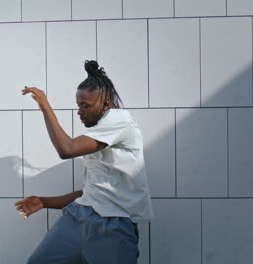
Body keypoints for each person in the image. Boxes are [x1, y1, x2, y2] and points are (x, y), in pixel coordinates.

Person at [16, 60, 154, 264]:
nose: (80, 111)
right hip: (78, 217)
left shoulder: (120, 122)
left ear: (105, 103)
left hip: (112, 226)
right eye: (78, 105)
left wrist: (45, 106)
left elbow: (67, 149)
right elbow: (90, 193)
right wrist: (45, 202)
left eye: (85, 105)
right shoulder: (101, 134)